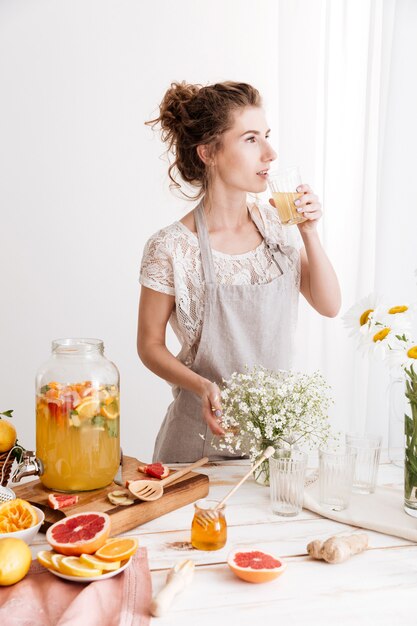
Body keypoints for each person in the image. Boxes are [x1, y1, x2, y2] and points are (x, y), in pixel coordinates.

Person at [137, 81, 341, 463]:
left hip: (274, 448)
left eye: (266, 136)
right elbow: (149, 345)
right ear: (209, 152)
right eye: (250, 139)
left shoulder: (278, 223)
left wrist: (309, 233)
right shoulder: (171, 247)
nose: (270, 152)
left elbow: (329, 305)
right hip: (197, 447)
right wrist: (202, 387)